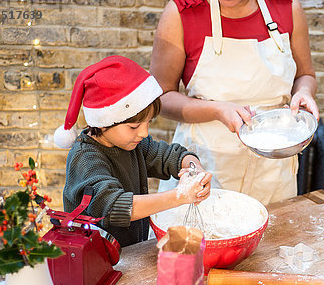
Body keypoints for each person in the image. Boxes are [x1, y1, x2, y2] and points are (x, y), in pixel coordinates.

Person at [149, 0, 319, 205]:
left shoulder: (287, 7)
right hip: (205, 164)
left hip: (273, 170)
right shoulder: (182, 13)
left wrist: (303, 92)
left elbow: (305, 75)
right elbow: (161, 97)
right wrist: (218, 110)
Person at [53, 55, 212, 248]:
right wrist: (179, 195)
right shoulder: (85, 159)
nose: (144, 133)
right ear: (104, 124)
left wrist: (195, 169)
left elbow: (170, 156)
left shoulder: (132, 143)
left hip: (129, 252)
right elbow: (115, 206)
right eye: (134, 126)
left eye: (148, 123)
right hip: (93, 259)